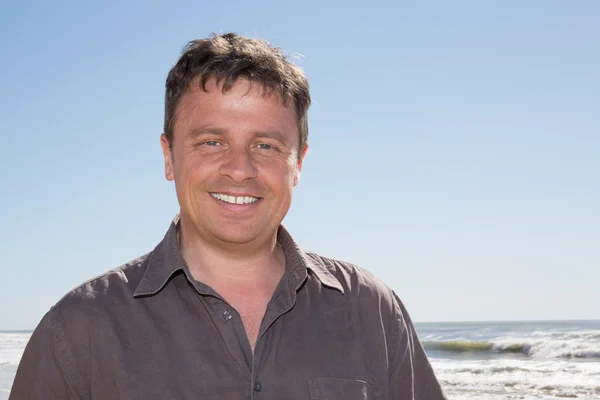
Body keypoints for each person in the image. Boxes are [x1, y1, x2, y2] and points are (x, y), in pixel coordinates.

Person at [10, 33, 446, 399]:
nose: (240, 169)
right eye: (212, 142)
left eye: (266, 145)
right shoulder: (78, 330)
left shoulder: (372, 311)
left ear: (299, 164)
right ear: (169, 157)